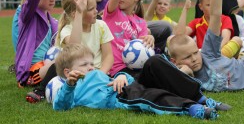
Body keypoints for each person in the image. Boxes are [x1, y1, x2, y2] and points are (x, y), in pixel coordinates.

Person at [53, 43, 230, 120]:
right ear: (68, 72)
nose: (91, 67)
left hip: (128, 83)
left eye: (92, 63)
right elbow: (61, 106)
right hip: (120, 96)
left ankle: (200, 97)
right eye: (84, 65)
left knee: (155, 61)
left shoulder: (97, 74)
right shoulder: (72, 87)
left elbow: (121, 79)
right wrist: (69, 84)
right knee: (151, 95)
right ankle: (191, 108)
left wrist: (121, 76)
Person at [26, 0, 115, 103]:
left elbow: (108, 56)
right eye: (91, 9)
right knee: (55, 66)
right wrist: (79, 12)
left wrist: (100, 74)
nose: (96, 11)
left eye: (95, 7)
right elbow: (74, 48)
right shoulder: (67, 30)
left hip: (97, 72)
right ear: (75, 14)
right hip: (76, 74)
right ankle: (41, 90)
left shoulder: (101, 25)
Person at [15, 0, 68, 88]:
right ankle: (40, 90)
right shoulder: (28, 15)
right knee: (56, 65)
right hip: (31, 71)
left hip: (48, 64)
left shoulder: (53, 21)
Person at [176, 0, 242, 59]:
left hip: (219, 54)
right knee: (171, 40)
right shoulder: (197, 22)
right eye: (208, 5)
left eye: (215, 4)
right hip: (203, 57)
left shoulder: (225, 19)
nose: (213, 8)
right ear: (201, 7)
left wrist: (214, 53)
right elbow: (180, 36)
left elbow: (225, 38)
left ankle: (217, 60)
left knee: (237, 39)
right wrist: (185, 9)